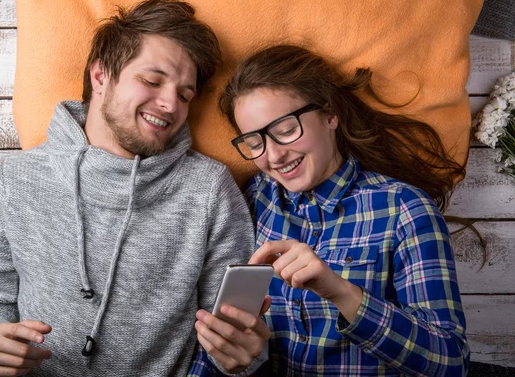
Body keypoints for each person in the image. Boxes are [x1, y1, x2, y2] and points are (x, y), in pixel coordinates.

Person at [0, 0, 258, 376]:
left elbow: (233, 332)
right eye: (152, 80)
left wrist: (244, 357)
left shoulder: (210, 189)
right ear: (101, 76)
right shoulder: (11, 181)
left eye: (185, 94)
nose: (170, 104)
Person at [194, 44, 470, 376]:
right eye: (255, 143)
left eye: (285, 131)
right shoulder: (250, 203)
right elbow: (224, 341)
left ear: (329, 115)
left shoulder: (404, 209)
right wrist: (234, 361)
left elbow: (451, 362)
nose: (274, 156)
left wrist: (340, 292)